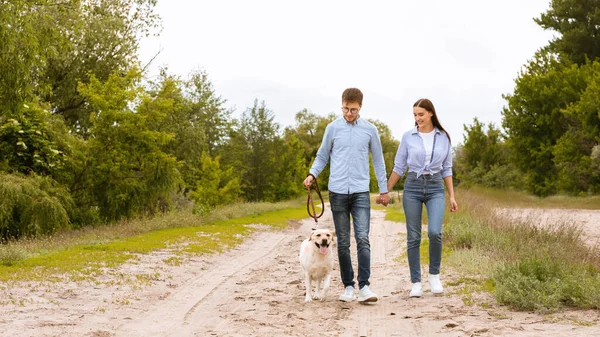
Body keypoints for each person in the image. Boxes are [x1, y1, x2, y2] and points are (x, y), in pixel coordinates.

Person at [303, 88, 390, 303]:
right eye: (345, 109)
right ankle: (348, 286)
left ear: (360, 107)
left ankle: (365, 287)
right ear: (341, 104)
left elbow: (378, 161)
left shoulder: (370, 130)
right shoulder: (333, 128)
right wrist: (312, 174)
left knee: (362, 239)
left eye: (353, 109)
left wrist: (383, 189)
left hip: (360, 191)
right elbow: (322, 155)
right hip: (338, 191)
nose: (349, 113)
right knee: (342, 242)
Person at [381, 98, 457, 298]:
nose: (417, 118)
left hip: (435, 187)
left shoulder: (444, 137)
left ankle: (434, 276)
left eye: (421, 114)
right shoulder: (408, 137)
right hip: (413, 187)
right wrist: (386, 191)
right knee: (413, 237)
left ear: (431, 113)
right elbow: (399, 167)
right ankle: (416, 282)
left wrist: (452, 196)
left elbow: (447, 168)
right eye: (415, 115)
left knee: (434, 232)